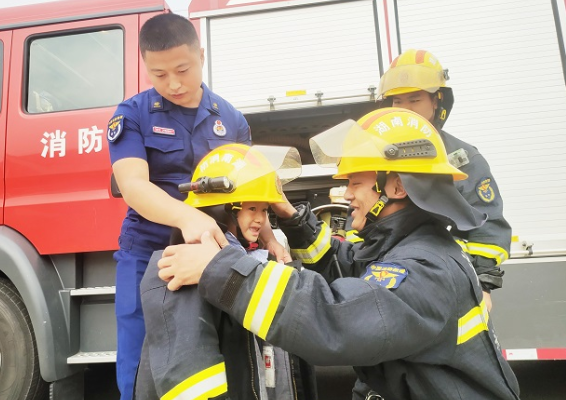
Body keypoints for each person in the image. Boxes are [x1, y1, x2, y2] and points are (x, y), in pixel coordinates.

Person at [154, 108, 521, 400]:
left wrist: (219, 270)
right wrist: (289, 215)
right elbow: (342, 268)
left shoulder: (427, 269)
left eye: (355, 183)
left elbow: (334, 318)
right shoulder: (403, 247)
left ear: (395, 186)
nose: (345, 194)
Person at [106, 13, 289, 400]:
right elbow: (133, 184)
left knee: (218, 355)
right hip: (148, 254)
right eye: (158, 74)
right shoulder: (132, 115)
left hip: (216, 253)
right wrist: (185, 215)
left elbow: (248, 190)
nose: (172, 83)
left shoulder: (232, 120)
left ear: (201, 56)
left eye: (181, 70)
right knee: (141, 359)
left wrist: (270, 235)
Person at [135, 143, 316, 400]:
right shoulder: (184, 269)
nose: (261, 219)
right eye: (252, 209)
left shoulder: (240, 261)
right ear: (223, 209)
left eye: (264, 210)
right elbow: (188, 381)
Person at [377, 49, 511, 312]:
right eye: (397, 101)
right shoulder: (374, 157)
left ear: (437, 101)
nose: (405, 110)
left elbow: (488, 228)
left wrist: (481, 284)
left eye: (414, 100)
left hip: (447, 283)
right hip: (383, 283)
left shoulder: (462, 158)